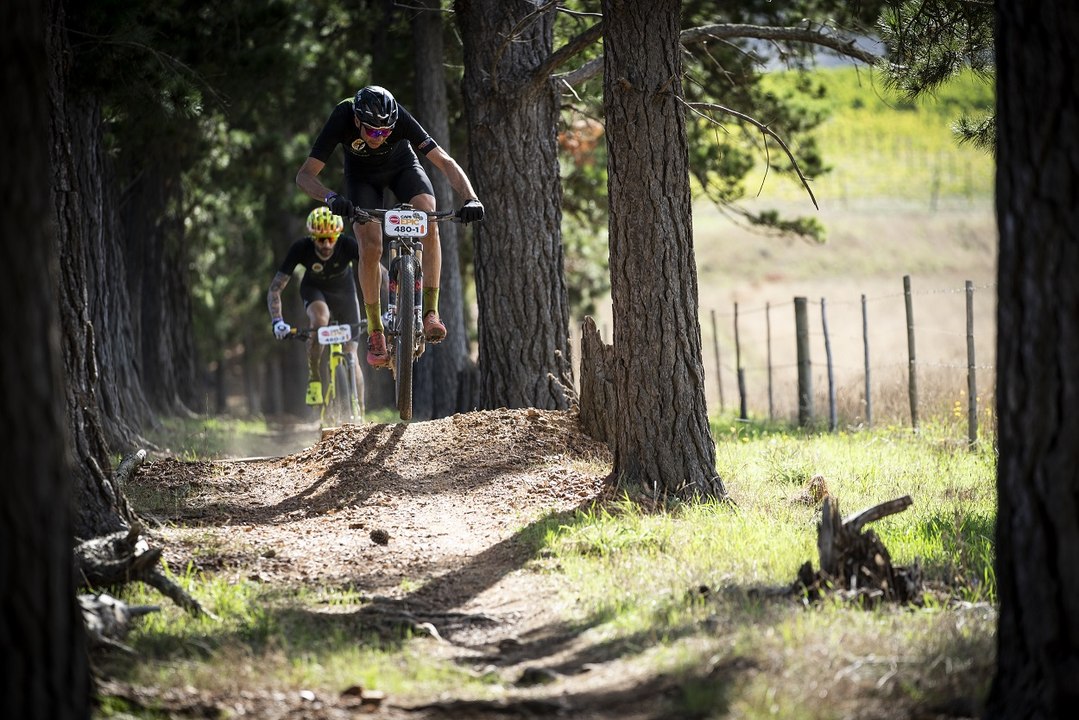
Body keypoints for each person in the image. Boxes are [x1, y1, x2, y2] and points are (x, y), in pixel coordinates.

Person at [295, 85, 484, 368]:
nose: (379, 138)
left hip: (402, 167)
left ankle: (431, 312)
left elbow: (444, 162)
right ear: (357, 121)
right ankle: (376, 332)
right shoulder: (342, 117)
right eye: (372, 132)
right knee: (370, 246)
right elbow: (305, 176)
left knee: (429, 220)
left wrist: (471, 198)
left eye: (385, 132)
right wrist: (331, 197)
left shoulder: (399, 119)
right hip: (361, 178)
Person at [268, 206, 365, 410]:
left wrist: (392, 302)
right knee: (320, 320)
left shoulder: (347, 244)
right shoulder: (301, 248)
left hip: (345, 293)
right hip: (315, 290)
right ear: (312, 237)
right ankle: (314, 378)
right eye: (321, 239)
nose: (327, 245)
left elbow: (378, 272)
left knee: (352, 357)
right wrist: (277, 322)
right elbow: (275, 289)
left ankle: (360, 411)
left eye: (331, 238)